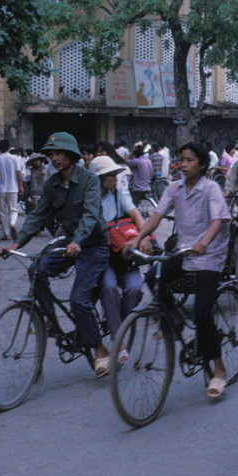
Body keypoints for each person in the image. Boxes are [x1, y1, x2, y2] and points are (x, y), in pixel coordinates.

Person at [0, 132, 113, 377]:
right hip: (70, 242)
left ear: (71, 155)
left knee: (79, 300)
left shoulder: (90, 180)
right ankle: (52, 321)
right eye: (51, 154)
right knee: (36, 270)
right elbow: (38, 215)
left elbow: (91, 215)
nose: (55, 158)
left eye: (59, 153)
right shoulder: (52, 184)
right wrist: (16, 245)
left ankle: (100, 348)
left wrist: (79, 241)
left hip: (93, 245)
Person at [132, 142, 232, 399]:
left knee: (201, 311)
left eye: (189, 160)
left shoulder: (211, 188)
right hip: (184, 250)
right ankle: (180, 327)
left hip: (209, 255)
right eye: (182, 160)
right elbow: (156, 215)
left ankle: (219, 370)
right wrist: (137, 238)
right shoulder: (174, 187)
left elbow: (219, 219)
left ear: (201, 163)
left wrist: (205, 243)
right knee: (154, 280)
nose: (184, 165)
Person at [90, 155, 152, 363]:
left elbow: (135, 215)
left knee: (134, 288)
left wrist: (144, 237)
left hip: (123, 252)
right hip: (101, 254)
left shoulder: (119, 193)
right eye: (111, 176)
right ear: (100, 178)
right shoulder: (89, 198)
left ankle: (120, 324)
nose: (116, 178)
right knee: (107, 286)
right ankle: (120, 341)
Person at [0, 139, 25, 241]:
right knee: (13, 209)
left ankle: (6, 234)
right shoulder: (15, 158)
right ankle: (12, 223)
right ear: (8, 147)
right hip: (13, 187)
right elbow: (19, 173)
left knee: (2, 211)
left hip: (1, 188)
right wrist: (21, 186)